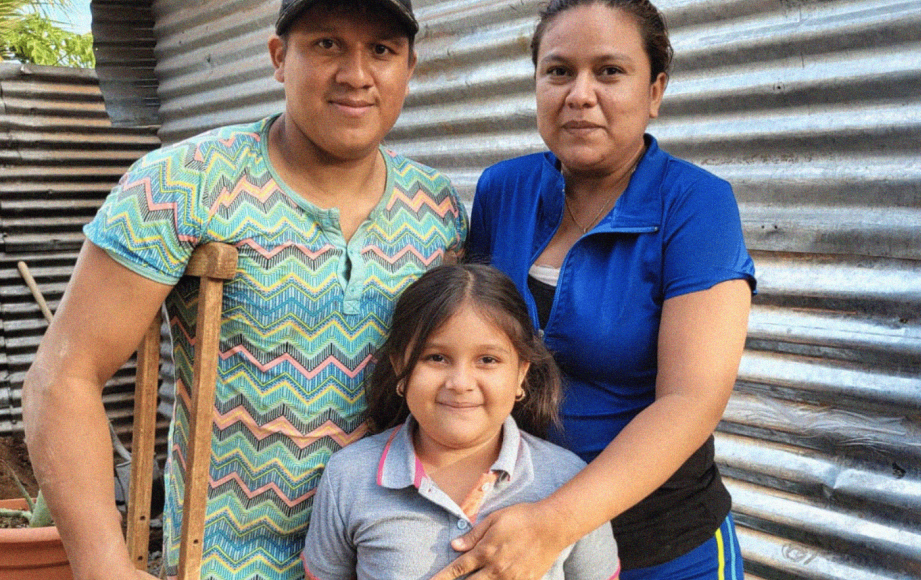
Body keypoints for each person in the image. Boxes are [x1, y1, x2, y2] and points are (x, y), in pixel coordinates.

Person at [21, 0, 467, 579]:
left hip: (387, 553)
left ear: (410, 68)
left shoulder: (436, 208)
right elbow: (64, 377)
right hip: (224, 560)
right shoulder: (183, 184)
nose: (356, 75)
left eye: (381, 50)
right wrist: (103, 564)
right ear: (280, 57)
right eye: (327, 44)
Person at [437, 1, 756, 579]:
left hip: (661, 544)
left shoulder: (695, 205)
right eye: (559, 71)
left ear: (655, 90)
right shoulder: (501, 191)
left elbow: (690, 402)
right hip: (522, 539)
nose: (580, 94)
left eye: (609, 71)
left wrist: (555, 522)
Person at [301, 264, 621, 580]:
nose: (460, 382)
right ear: (401, 367)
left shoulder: (570, 483)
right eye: (436, 358)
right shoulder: (349, 477)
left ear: (521, 373)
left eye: (487, 360)